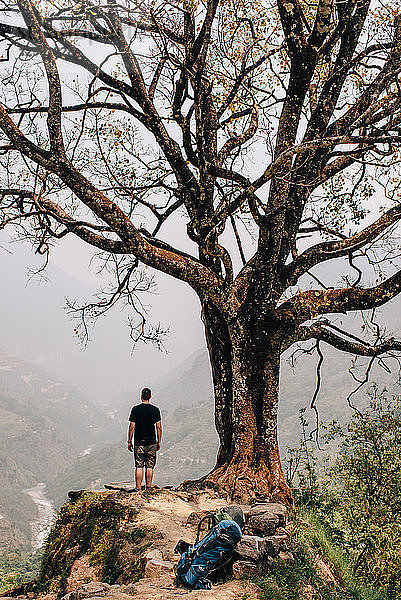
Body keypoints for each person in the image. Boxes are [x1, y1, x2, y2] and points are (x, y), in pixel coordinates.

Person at [127, 387, 162, 491]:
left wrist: (129, 441)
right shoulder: (155, 410)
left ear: (141, 396)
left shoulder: (135, 409)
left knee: (139, 465)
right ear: (150, 396)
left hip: (139, 442)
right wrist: (159, 441)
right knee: (150, 466)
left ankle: (138, 488)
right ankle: (148, 487)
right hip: (152, 442)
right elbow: (159, 427)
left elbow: (132, 426)